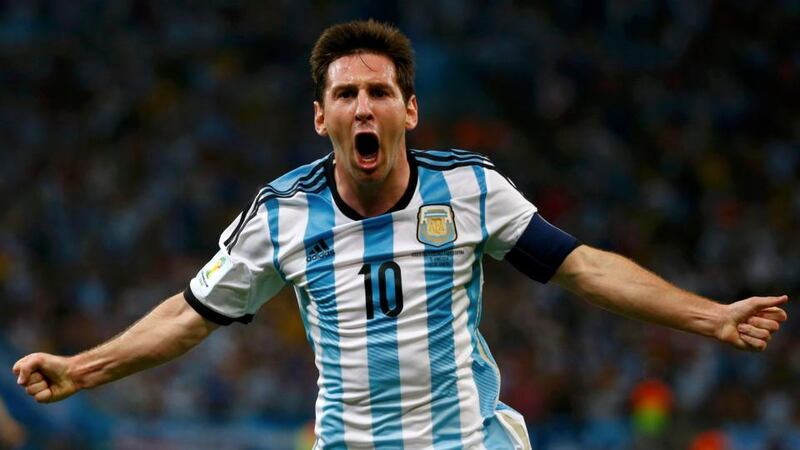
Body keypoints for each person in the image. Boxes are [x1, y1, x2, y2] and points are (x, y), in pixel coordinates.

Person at [12, 20, 789, 449]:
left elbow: (581, 267)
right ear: (321, 117)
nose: (362, 107)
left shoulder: (470, 189)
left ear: (408, 110)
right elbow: (189, 315)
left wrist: (710, 315)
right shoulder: (281, 215)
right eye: (344, 93)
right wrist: (83, 369)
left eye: (379, 91)